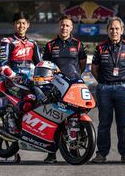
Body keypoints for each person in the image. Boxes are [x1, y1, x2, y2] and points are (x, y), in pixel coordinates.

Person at [91, 16, 125, 163]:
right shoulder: (100, 48)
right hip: (104, 87)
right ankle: (102, 153)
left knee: (123, 123)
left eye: (117, 28)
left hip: (123, 88)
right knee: (104, 123)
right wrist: (103, 82)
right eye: (111, 28)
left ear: (122, 30)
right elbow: (94, 69)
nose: (114, 31)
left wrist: (123, 81)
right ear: (107, 30)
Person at [42, 16, 87, 163]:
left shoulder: (78, 45)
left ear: (71, 28)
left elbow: (82, 65)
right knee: (54, 119)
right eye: (62, 25)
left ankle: (74, 150)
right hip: (55, 87)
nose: (64, 28)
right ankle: (51, 153)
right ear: (59, 26)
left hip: (73, 86)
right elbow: (45, 65)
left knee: (74, 118)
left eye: (67, 25)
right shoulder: (50, 45)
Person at [0, 11, 42, 135]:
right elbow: (2, 65)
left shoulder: (33, 43)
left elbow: (40, 64)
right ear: (14, 25)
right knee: (30, 99)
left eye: (23, 23)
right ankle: (11, 119)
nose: (21, 26)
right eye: (18, 23)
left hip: (29, 80)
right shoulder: (8, 41)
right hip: (12, 80)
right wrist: (14, 76)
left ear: (28, 25)